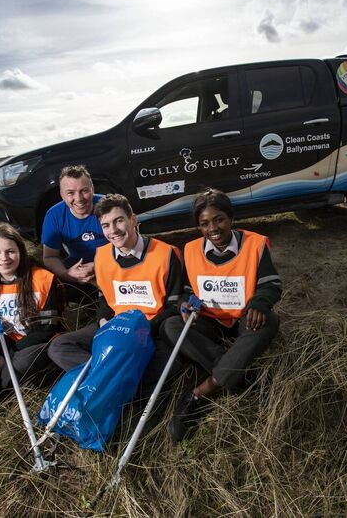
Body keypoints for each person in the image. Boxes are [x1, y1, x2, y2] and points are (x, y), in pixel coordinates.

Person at [162, 188, 282, 442]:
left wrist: (260, 303)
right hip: (210, 321)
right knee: (171, 326)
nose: (213, 228)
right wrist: (187, 305)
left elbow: (271, 284)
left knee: (269, 321)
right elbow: (189, 291)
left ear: (231, 218)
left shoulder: (255, 244)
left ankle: (201, 392)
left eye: (219, 219)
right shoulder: (191, 250)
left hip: (244, 320)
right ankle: (241, 374)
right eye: (204, 223)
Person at [47, 193, 183, 389]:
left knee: (169, 363)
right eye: (106, 225)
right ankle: (110, 379)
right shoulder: (102, 255)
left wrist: (138, 330)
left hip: (150, 330)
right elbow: (105, 297)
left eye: (119, 221)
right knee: (59, 347)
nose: (113, 231)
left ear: (133, 220)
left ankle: (106, 379)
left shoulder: (166, 254)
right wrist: (103, 320)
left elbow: (174, 306)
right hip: (114, 326)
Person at [0, 223, 66, 421]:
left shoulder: (43, 279)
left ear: (21, 251)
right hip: (5, 341)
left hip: (36, 342)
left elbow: (47, 329)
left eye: (10, 251)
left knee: (20, 363)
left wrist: (6, 357)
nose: (4, 258)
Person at [41, 165, 108, 304]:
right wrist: (67, 274)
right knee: (49, 282)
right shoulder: (54, 215)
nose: (78, 198)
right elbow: (49, 256)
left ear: (92, 189)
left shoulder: (109, 207)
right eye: (70, 193)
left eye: (84, 191)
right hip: (77, 267)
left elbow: (130, 246)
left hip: (112, 265)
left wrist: (99, 265)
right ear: (62, 195)